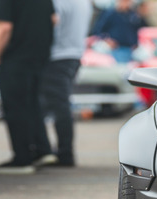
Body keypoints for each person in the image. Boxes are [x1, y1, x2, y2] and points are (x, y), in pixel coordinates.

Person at [0, 0, 56, 175]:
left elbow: (4, 26)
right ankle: (42, 151)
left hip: (15, 58)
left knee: (15, 108)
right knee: (32, 104)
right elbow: (53, 19)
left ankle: (22, 159)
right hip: (39, 55)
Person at [41, 0, 93, 167]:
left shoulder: (58, 2)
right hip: (74, 55)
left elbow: (51, 25)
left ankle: (64, 154)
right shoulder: (84, 2)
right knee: (59, 105)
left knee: (59, 106)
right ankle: (59, 151)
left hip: (57, 55)